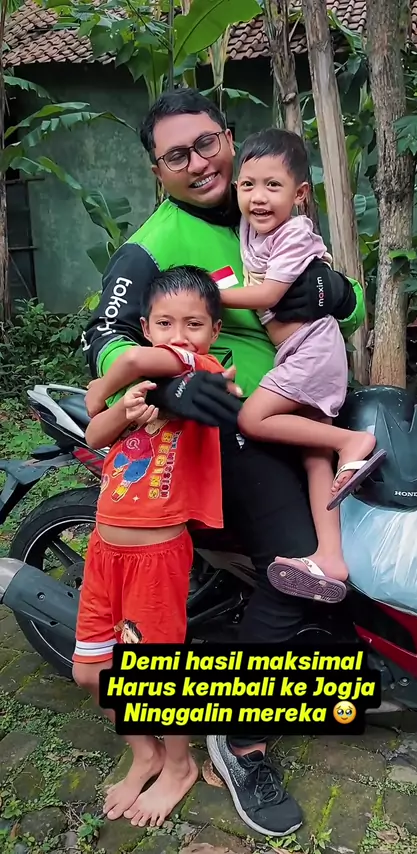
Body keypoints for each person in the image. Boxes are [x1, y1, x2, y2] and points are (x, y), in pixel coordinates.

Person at [82, 88, 367, 838]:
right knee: (298, 566)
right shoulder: (151, 244)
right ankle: (240, 738)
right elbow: (105, 338)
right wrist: (171, 381)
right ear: (158, 172)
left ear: (230, 139)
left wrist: (341, 294)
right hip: (221, 424)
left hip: (299, 400)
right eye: (176, 155)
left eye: (207, 143)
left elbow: (346, 305)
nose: (198, 162)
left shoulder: (267, 208)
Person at [74, 266, 233, 829]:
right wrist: (122, 409)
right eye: (164, 323)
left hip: (157, 555)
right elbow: (93, 435)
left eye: (194, 324)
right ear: (145, 325)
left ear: (214, 332)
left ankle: (180, 764)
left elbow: (151, 364)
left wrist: (102, 385)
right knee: (91, 672)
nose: (178, 335)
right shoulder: (143, 387)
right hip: (104, 549)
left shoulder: (203, 375)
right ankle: (145, 752)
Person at [220, 128, 385, 604]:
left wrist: (208, 296)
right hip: (298, 351)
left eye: (273, 186)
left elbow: (269, 295)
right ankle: (330, 558)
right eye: (248, 185)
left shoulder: (293, 233)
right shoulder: (250, 227)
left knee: (252, 418)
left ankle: (352, 442)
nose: (258, 197)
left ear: (300, 194)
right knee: (315, 459)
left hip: (312, 348)